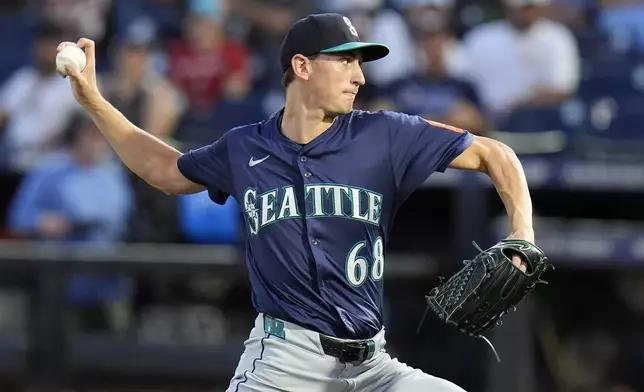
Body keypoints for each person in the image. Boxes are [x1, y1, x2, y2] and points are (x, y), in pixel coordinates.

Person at [58, 12, 533, 392]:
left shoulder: (387, 134)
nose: (360, 77)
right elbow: (163, 170)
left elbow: (497, 154)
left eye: (360, 63)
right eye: (346, 61)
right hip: (285, 364)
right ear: (302, 67)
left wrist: (522, 233)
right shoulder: (244, 147)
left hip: (375, 366)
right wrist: (94, 101)